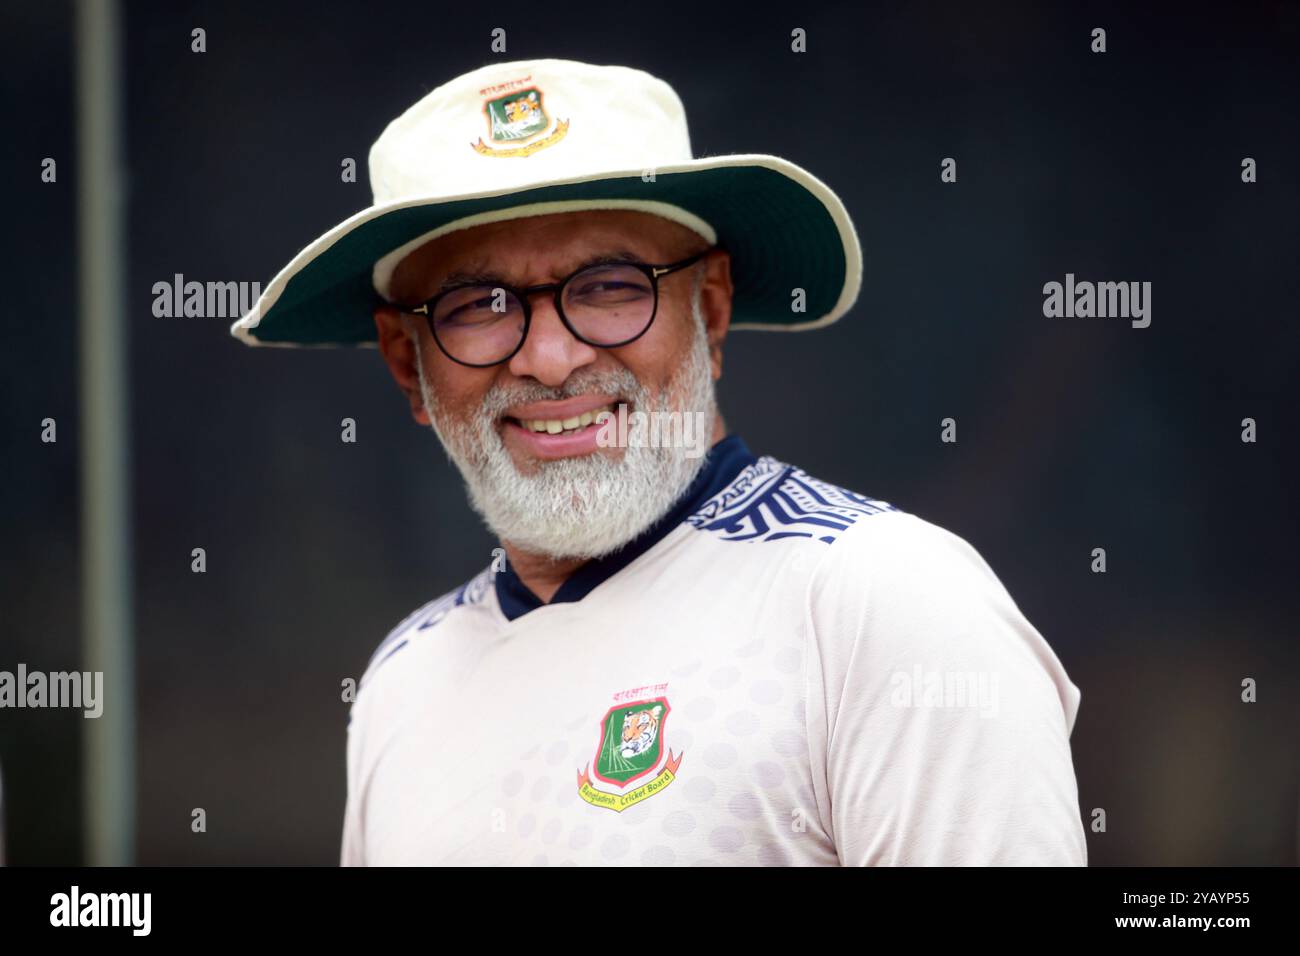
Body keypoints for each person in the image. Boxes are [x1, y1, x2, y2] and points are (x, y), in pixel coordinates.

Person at [232, 58, 1086, 866]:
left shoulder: (879, 602)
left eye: (609, 286)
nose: (554, 359)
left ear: (709, 312)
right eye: (479, 304)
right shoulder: (402, 686)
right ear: (405, 363)